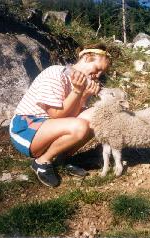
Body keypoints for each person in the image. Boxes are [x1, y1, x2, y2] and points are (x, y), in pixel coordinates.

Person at [9, 43, 111, 187]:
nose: (98, 76)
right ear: (87, 58)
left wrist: (84, 94)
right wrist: (77, 91)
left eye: (102, 73)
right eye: (97, 69)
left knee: (99, 115)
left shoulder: (79, 82)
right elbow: (57, 115)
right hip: (26, 128)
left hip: (50, 126)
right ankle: (41, 162)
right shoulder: (56, 73)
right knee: (79, 126)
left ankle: (62, 160)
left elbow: (71, 114)